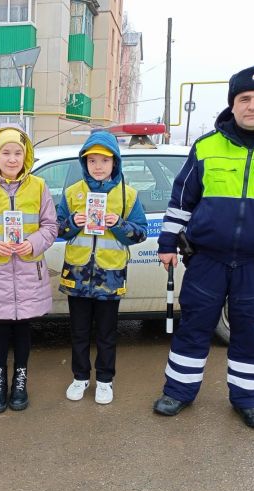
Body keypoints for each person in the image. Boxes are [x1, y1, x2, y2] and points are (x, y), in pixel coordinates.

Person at [152, 66, 254, 429]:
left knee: (251, 331)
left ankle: (249, 399)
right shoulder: (206, 146)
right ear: (233, 104)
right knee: (194, 326)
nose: (252, 106)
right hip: (207, 259)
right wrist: (168, 241)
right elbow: (181, 200)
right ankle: (178, 391)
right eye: (244, 99)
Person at [0, 124, 58, 413]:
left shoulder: (39, 187)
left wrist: (34, 243)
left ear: (26, 156)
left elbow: (51, 226)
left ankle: (20, 378)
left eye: (18, 153)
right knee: (1, 330)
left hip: (29, 273)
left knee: (23, 329)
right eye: (6, 152)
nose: (12, 159)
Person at [57, 130, 148, 405]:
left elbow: (140, 233)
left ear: (115, 163)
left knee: (107, 334)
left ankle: (105, 380)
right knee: (79, 332)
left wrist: (117, 224)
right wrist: (74, 221)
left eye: (104, 161)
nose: (98, 167)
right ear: (84, 163)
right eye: (92, 161)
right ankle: (80, 377)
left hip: (110, 276)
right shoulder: (73, 193)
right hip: (78, 275)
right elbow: (58, 229)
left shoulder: (128, 195)